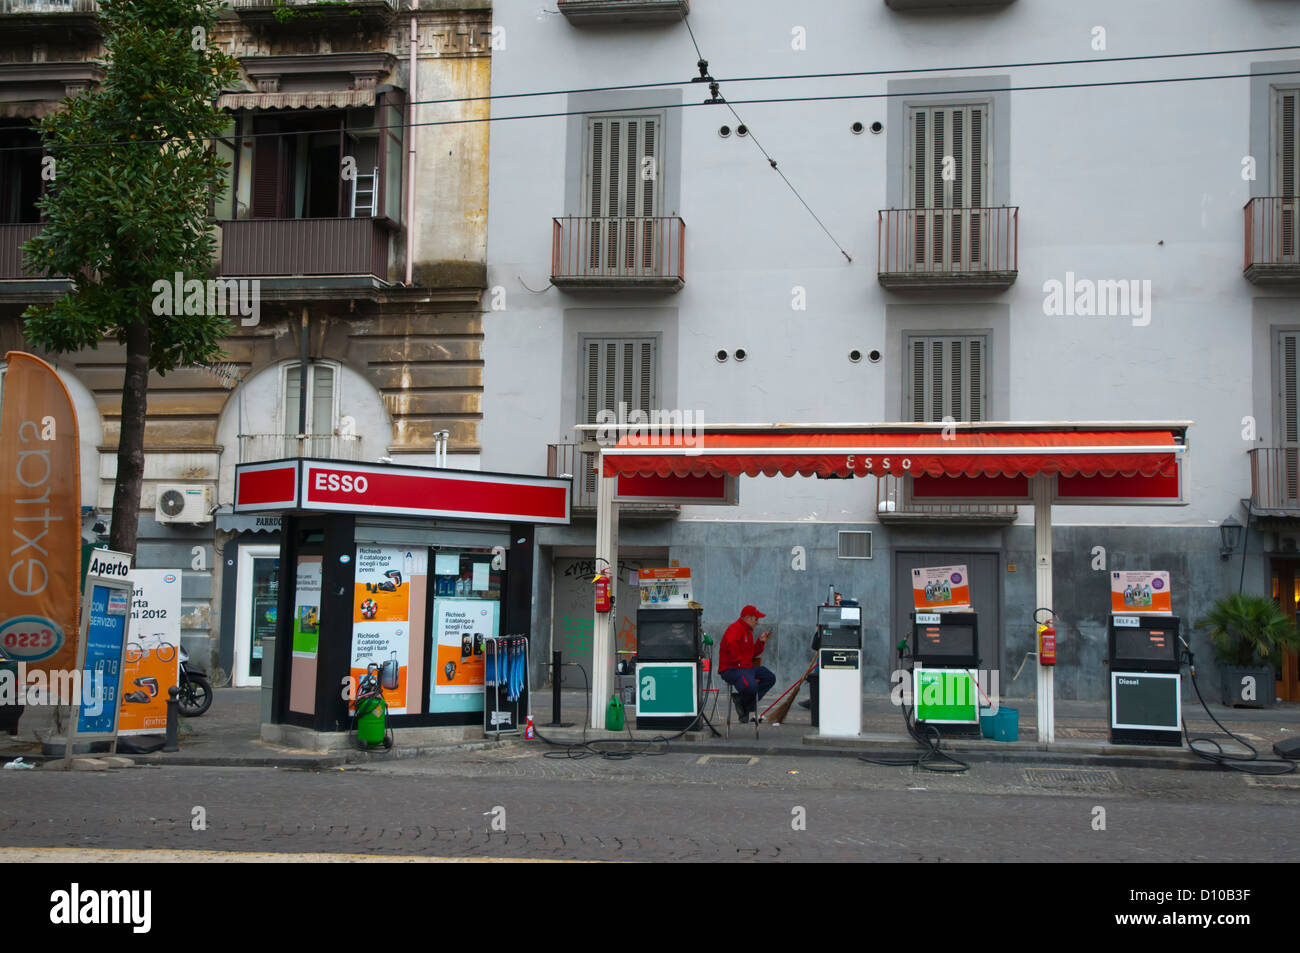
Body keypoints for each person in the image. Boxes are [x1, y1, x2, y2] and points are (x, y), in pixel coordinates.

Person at [719, 605, 776, 722]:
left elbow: (751, 653)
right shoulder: (735, 629)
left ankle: (744, 703)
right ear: (748, 618)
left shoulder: (747, 631)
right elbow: (731, 645)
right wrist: (741, 662)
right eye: (756, 619)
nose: (757, 622)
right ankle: (745, 704)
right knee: (751, 686)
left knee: (770, 677)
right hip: (732, 668)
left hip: (745, 667)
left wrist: (760, 642)